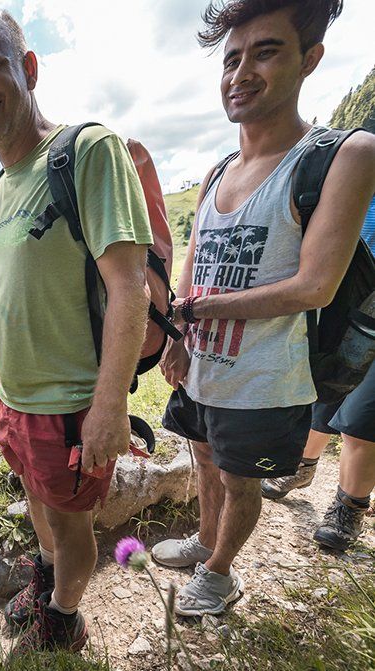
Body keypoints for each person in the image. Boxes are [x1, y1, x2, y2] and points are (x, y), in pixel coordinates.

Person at [154, 0, 375, 617]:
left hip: (267, 376)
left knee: (239, 478)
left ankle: (220, 574)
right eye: (231, 59)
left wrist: (204, 309)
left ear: (310, 60)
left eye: (266, 52)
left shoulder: (343, 155)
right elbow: (195, 266)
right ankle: (204, 541)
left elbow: (315, 287)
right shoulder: (217, 171)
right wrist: (178, 335)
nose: (241, 73)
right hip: (202, 364)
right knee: (203, 456)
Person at [0, 9, 152, 655]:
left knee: (70, 527)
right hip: (15, 401)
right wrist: (1, 361)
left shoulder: (86, 151)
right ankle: (45, 579)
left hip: (69, 406)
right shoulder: (1, 186)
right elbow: (18, 284)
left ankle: (64, 617)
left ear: (29, 68)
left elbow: (130, 286)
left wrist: (109, 405)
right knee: (38, 504)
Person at [262, 196, 375, 552]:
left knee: (361, 419)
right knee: (326, 389)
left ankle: (349, 507)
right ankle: (303, 467)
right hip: (352, 298)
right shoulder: (359, 175)